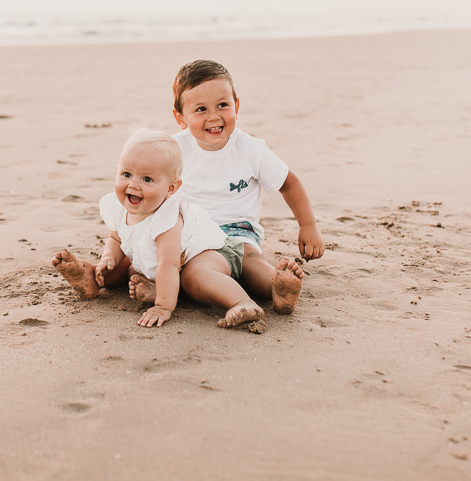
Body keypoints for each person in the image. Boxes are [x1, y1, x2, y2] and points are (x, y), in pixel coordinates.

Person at [52, 128, 265, 330]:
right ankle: (93, 280)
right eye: (126, 174)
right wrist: (109, 257)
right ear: (117, 171)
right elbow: (116, 239)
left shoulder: (168, 220)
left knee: (195, 276)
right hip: (164, 265)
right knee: (127, 267)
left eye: (147, 179)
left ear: (171, 188)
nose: (133, 185)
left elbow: (169, 266)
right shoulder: (119, 205)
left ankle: (242, 302)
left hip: (210, 253)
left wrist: (163, 306)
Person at [170, 59, 325, 315]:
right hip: (193, 235)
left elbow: (290, 183)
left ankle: (279, 285)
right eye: (200, 109)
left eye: (223, 105)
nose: (214, 116)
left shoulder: (251, 149)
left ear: (236, 105)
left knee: (252, 263)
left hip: (240, 233)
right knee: (194, 274)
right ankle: (239, 296)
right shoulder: (172, 150)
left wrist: (308, 225)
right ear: (180, 118)